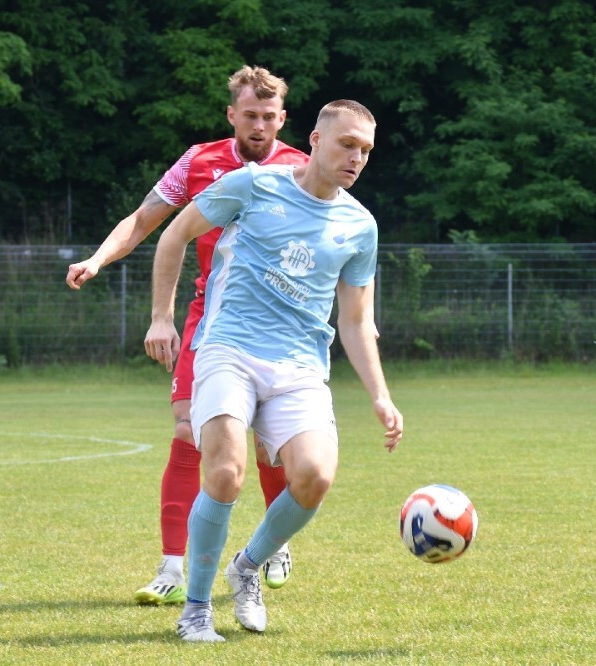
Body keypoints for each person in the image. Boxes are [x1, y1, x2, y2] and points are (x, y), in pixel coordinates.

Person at [144, 99, 404, 642]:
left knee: (314, 477)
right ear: (314, 139)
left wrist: (380, 395)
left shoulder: (360, 226)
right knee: (225, 471)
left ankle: (247, 566)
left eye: (366, 150)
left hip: (299, 367)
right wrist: (163, 317)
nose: (356, 158)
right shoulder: (253, 185)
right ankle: (195, 609)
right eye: (347, 144)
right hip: (228, 350)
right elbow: (175, 235)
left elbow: (356, 322)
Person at [66, 66, 309, 604]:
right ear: (231, 115)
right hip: (211, 321)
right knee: (186, 433)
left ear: (283, 119)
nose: (260, 126)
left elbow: (336, 241)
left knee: (269, 445)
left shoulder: (303, 170)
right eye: (250, 116)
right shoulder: (199, 161)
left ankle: (271, 545)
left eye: (270, 117)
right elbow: (145, 220)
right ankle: (171, 569)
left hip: (278, 329)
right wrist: (103, 262)